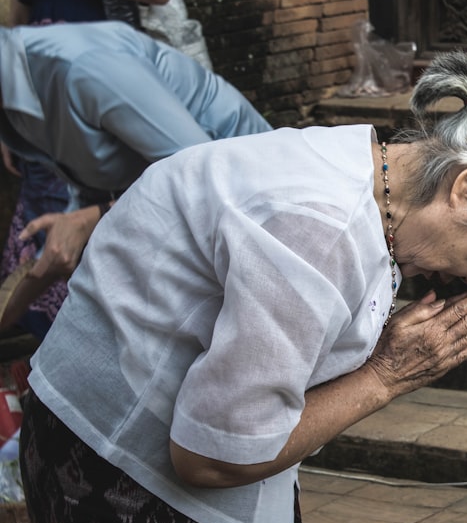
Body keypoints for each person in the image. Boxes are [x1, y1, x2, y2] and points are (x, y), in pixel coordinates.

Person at [19, 49, 467, 523]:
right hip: (118, 462)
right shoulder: (318, 229)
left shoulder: (367, 163)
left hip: (112, 429)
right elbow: (210, 457)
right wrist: (387, 376)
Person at [0, 19, 272, 333]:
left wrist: (94, 219)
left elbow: (202, 172)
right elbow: (89, 190)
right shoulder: (16, 106)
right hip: (175, 209)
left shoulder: (82, 67)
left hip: (249, 199)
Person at [0, 0, 172, 339]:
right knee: (42, 237)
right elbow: (17, 24)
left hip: (109, 106)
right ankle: (48, 366)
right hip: (41, 112)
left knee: (115, 236)